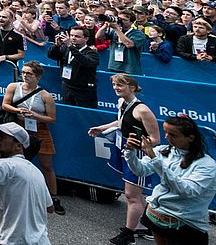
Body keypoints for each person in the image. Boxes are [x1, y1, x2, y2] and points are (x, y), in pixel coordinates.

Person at [88, 74, 161, 245]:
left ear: (133, 87)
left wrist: (137, 144)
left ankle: (129, 234)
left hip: (139, 155)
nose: (116, 88)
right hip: (125, 150)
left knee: (131, 195)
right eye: (114, 84)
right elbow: (120, 123)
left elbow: (155, 139)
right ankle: (145, 226)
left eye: (120, 85)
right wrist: (102, 128)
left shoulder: (142, 110)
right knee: (134, 194)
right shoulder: (122, 103)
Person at [123, 114, 216, 245]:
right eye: (166, 132)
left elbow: (186, 190)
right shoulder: (163, 151)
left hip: (185, 225)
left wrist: (156, 160)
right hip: (154, 215)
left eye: (173, 135)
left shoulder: (207, 165)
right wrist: (130, 152)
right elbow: (140, 170)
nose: (167, 137)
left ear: (190, 138)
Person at [0, 122, 53, 245]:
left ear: (18, 145)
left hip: (16, 241)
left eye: (3, 137)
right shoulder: (36, 172)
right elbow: (50, 208)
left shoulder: (7, 165)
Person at [1, 61, 64, 215]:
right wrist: (18, 110)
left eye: (29, 73)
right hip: (18, 126)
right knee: (13, 161)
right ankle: (11, 191)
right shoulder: (13, 87)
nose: (25, 76)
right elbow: (5, 105)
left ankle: (54, 197)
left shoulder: (46, 96)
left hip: (39, 129)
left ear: (38, 76)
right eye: (24, 72)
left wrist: (35, 115)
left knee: (47, 165)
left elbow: (52, 119)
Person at [47, 26, 99, 108]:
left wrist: (70, 46)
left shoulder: (91, 53)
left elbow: (85, 62)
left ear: (86, 39)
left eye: (77, 36)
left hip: (83, 90)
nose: (73, 38)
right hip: (67, 86)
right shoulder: (65, 48)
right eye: (71, 35)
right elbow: (51, 55)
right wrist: (56, 45)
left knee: (83, 115)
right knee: (69, 112)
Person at [100, 11, 148, 75]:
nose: (121, 21)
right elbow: (99, 36)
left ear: (131, 22)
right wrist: (105, 25)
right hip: (114, 66)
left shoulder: (138, 34)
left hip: (129, 68)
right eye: (119, 19)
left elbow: (129, 44)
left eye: (124, 20)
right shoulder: (114, 31)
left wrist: (117, 29)